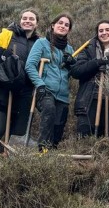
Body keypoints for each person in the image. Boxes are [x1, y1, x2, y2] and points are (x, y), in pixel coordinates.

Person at [0, 10, 41, 153]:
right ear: (20, 20)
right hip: (3, 89)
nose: (27, 21)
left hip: (25, 92)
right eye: (24, 18)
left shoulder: (39, 42)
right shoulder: (7, 34)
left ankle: (6, 162)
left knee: (18, 132)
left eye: (31, 19)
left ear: (37, 23)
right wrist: (6, 60)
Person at [27, 13, 76, 149]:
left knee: (59, 123)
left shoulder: (70, 49)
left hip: (63, 94)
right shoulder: (41, 43)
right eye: (60, 23)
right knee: (49, 110)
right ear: (53, 25)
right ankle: (42, 149)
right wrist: (39, 84)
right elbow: (30, 65)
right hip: (45, 90)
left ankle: (52, 152)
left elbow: (73, 72)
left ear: (69, 30)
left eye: (66, 25)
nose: (63, 26)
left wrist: (72, 63)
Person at [71, 21, 109, 137]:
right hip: (88, 99)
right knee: (85, 135)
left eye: (107, 30)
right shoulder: (88, 50)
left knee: (108, 136)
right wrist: (98, 62)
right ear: (97, 34)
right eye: (101, 31)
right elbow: (76, 71)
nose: (104, 33)